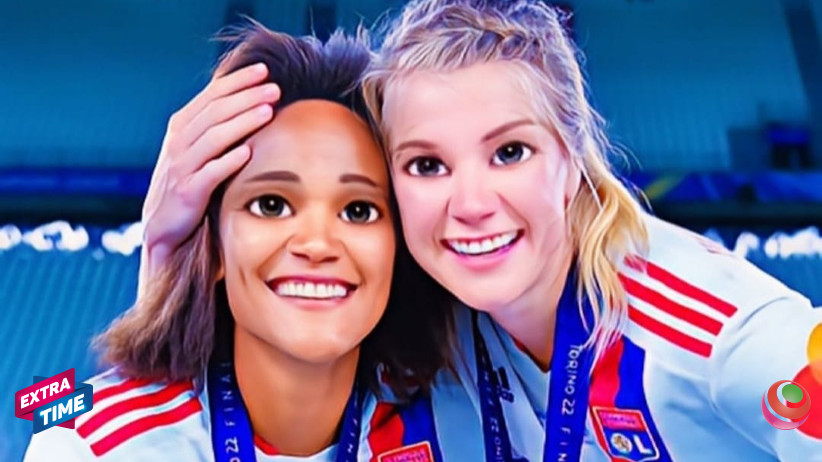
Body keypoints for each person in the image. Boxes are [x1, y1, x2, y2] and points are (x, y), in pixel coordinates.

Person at [135, 1, 822, 462]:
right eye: (427, 164)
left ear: (572, 159)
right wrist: (166, 244)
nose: (469, 204)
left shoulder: (712, 334)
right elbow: (181, 413)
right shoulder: (425, 310)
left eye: (510, 152)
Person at [23, 23, 454, 462]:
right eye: (271, 204)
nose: (317, 243)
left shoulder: (462, 426)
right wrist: (160, 244)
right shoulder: (86, 442)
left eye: (359, 211)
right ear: (213, 247)